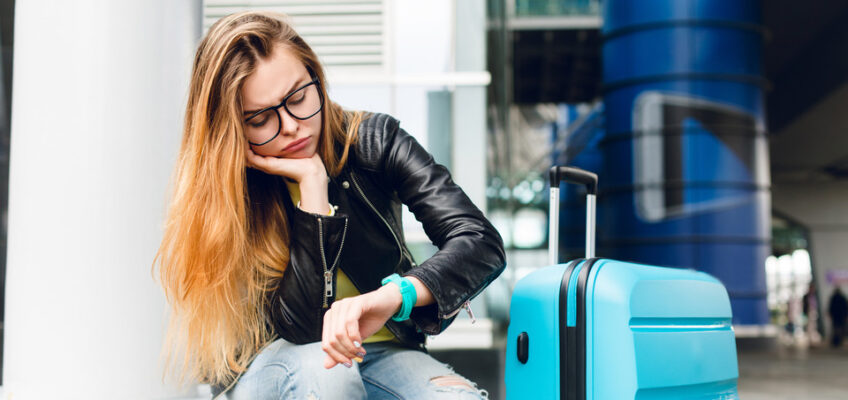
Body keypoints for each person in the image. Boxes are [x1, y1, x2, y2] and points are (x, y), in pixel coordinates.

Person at [154, 10, 505, 400]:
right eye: (260, 119)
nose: (290, 125)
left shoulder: (374, 143)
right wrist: (314, 189)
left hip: (380, 353)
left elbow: (478, 240)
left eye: (298, 98)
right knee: (330, 375)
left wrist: (394, 296)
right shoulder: (228, 191)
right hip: (271, 366)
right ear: (233, 128)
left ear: (317, 80)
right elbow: (304, 331)